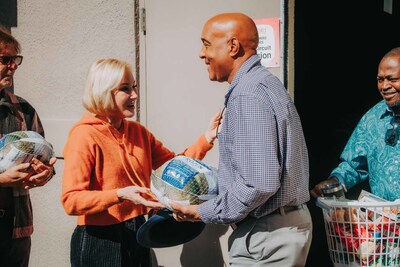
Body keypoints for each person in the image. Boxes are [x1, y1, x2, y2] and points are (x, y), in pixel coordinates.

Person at [170, 13, 313, 267]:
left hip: (266, 236)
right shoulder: (264, 83)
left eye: (206, 44)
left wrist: (203, 211)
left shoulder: (248, 94)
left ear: (233, 47)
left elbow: (261, 182)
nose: (201, 54)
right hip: (276, 230)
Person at [61, 58, 221, 267]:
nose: (135, 95)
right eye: (126, 89)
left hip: (137, 230)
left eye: (134, 86)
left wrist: (207, 138)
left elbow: (177, 167)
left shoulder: (138, 132)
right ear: (104, 92)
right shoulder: (84, 135)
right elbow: (71, 201)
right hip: (98, 239)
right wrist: (120, 194)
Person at [310, 47, 400, 201]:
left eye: (392, 79)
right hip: (386, 221)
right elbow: (354, 165)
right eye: (380, 79)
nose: (384, 86)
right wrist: (336, 181)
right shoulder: (373, 117)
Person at [0, 27, 57, 267]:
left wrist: (45, 174)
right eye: (5, 59)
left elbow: (46, 161)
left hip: (15, 229)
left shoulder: (23, 110)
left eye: (15, 60)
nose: (13, 66)